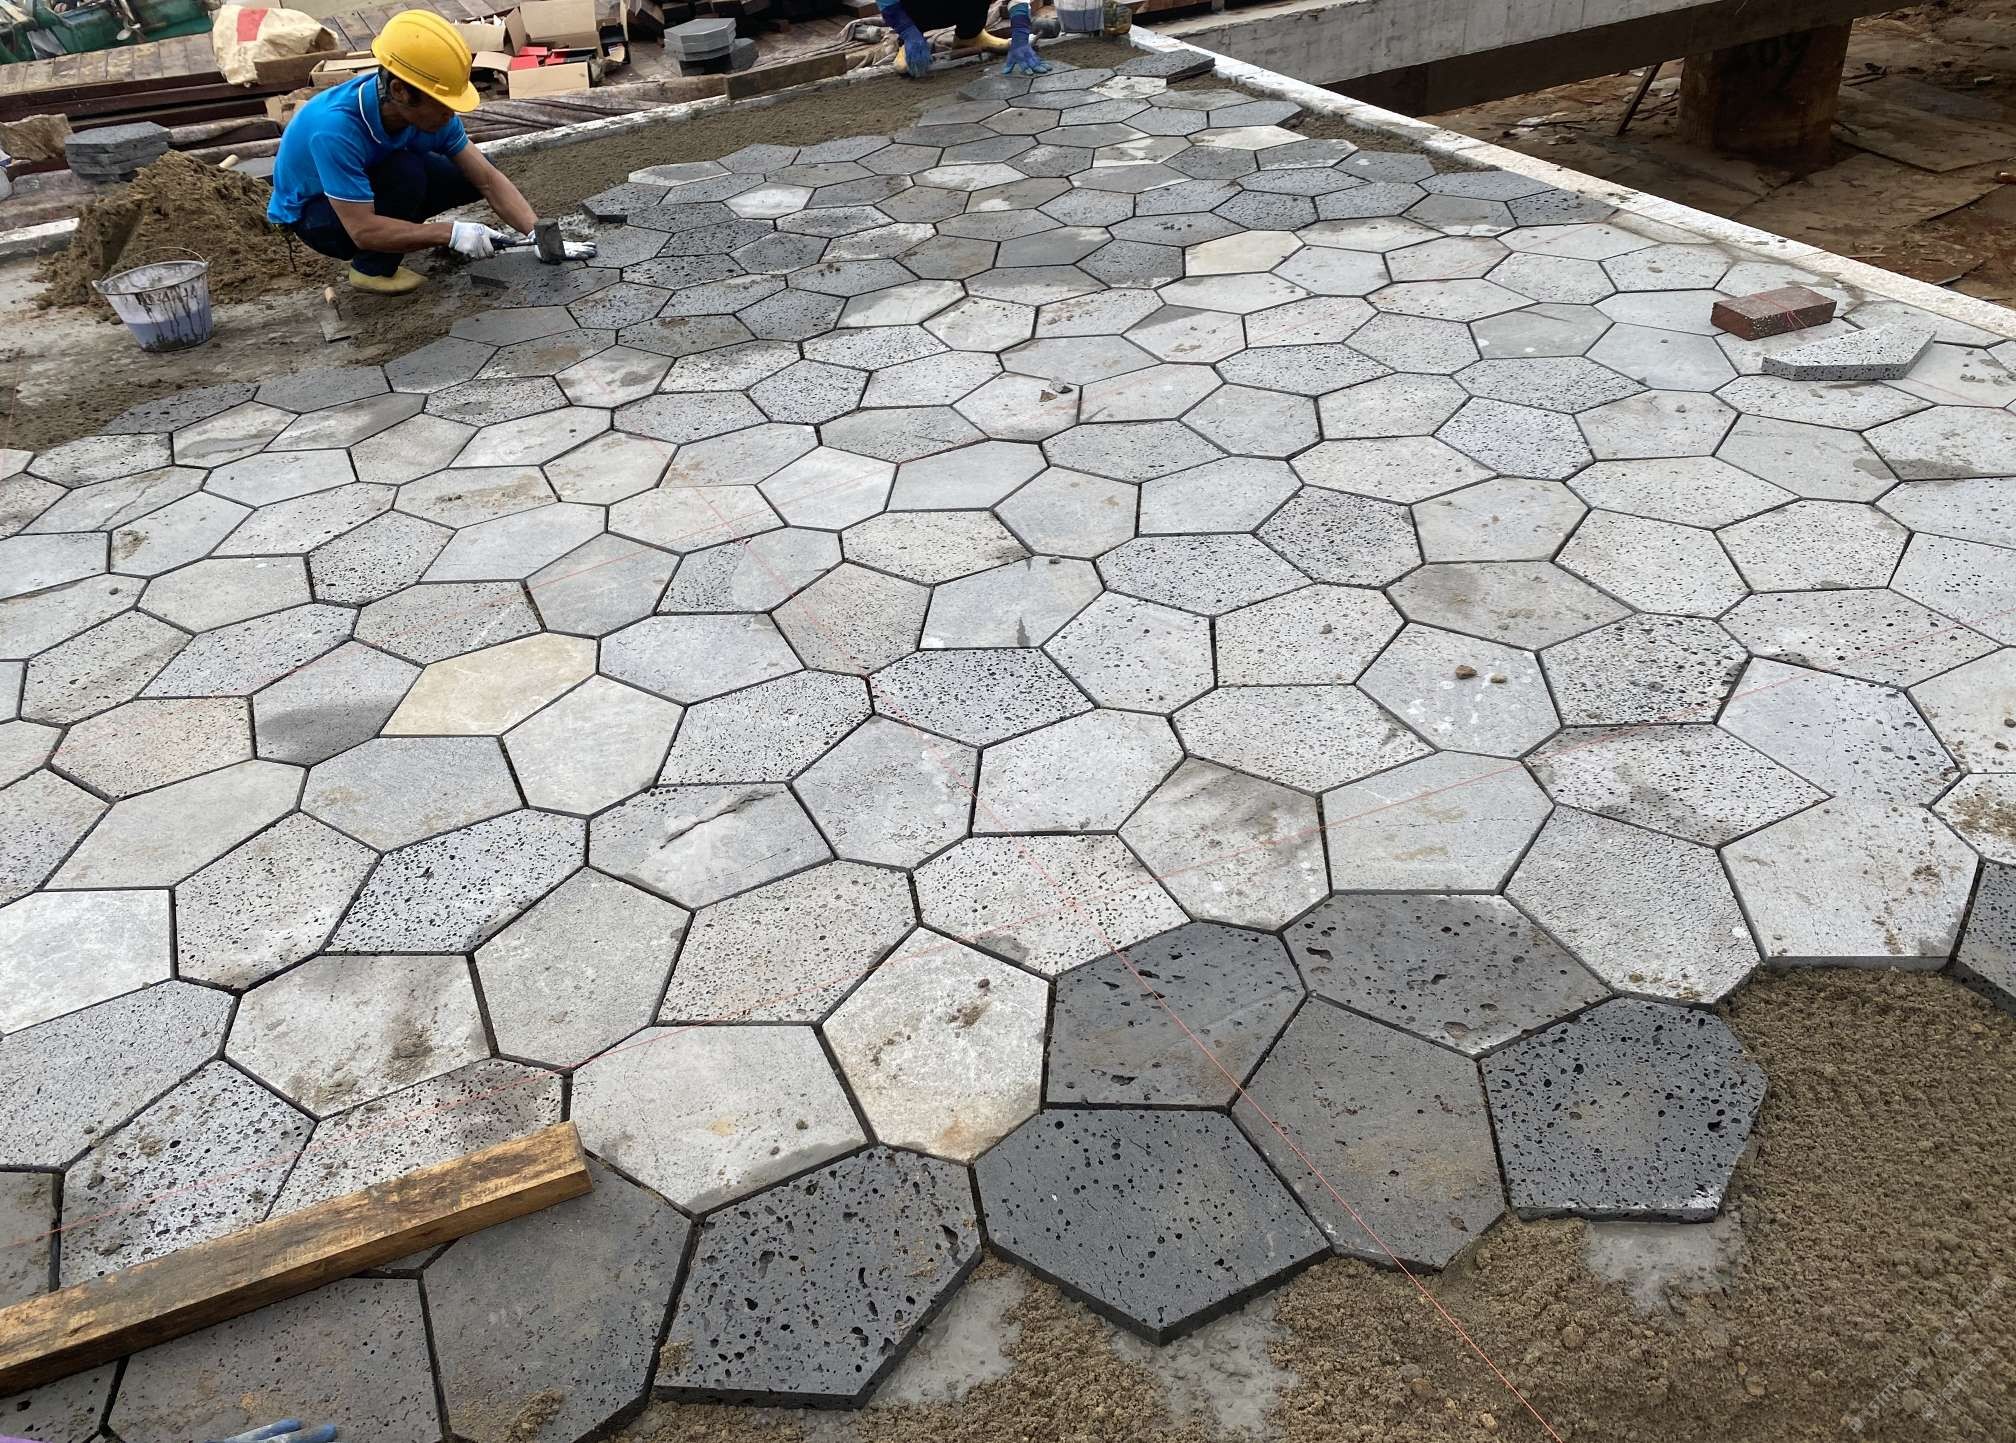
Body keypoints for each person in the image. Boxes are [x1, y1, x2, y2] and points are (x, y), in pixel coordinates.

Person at [266, 10, 539, 296]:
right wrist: (449, 233)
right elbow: (362, 229)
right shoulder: (335, 129)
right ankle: (371, 269)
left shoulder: (430, 113)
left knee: (467, 173)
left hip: (367, 186)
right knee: (406, 172)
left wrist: (536, 232)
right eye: (442, 103)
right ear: (399, 91)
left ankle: (399, 233)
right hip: (317, 217)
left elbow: (487, 178)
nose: (450, 114)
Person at [878, 0, 1048, 78]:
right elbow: (886, 2)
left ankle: (970, 35)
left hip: (961, 5)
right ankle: (911, 43)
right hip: (918, 11)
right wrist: (909, 33)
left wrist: (1020, 33)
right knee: (905, 67)